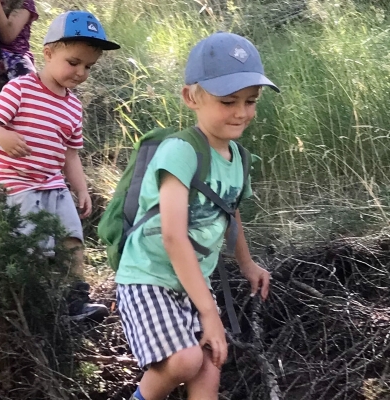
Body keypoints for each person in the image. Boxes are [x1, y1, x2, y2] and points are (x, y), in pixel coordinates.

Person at [115, 32, 278, 400]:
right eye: (227, 100)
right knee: (186, 361)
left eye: (251, 101)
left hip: (190, 283)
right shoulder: (181, 151)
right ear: (192, 97)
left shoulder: (240, 159)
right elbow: (173, 235)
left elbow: (230, 214)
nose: (241, 112)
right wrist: (210, 313)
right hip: (149, 276)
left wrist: (248, 265)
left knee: (209, 368)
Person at [0, 11, 120, 321]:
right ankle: (33, 308)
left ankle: (75, 302)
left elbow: (70, 154)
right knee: (31, 248)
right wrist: (3, 135)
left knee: (72, 240)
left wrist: (81, 188)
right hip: (16, 185)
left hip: (54, 185)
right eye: (73, 62)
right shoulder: (20, 88)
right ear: (49, 52)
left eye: (88, 67)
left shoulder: (73, 105)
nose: (81, 72)